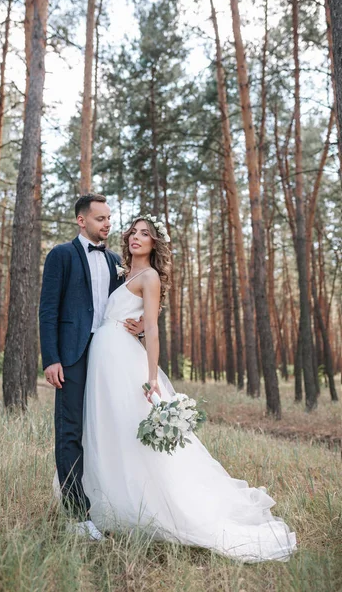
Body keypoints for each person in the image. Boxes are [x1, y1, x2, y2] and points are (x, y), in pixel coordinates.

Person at [82, 215, 297, 562]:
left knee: (131, 432)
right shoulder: (123, 274)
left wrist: (152, 378)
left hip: (123, 362)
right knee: (110, 431)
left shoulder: (150, 277)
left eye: (145, 234)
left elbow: (151, 328)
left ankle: (154, 506)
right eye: (133, 232)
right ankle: (110, 501)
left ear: (155, 244)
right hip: (104, 360)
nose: (137, 238)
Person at [39, 194, 144, 539]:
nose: (108, 224)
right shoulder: (61, 255)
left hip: (109, 357)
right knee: (69, 431)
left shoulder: (116, 260)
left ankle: (112, 504)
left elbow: (135, 298)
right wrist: (51, 358)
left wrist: (142, 325)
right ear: (81, 221)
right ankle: (76, 515)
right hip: (72, 357)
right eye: (100, 219)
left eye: (109, 218)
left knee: (106, 430)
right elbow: (48, 310)